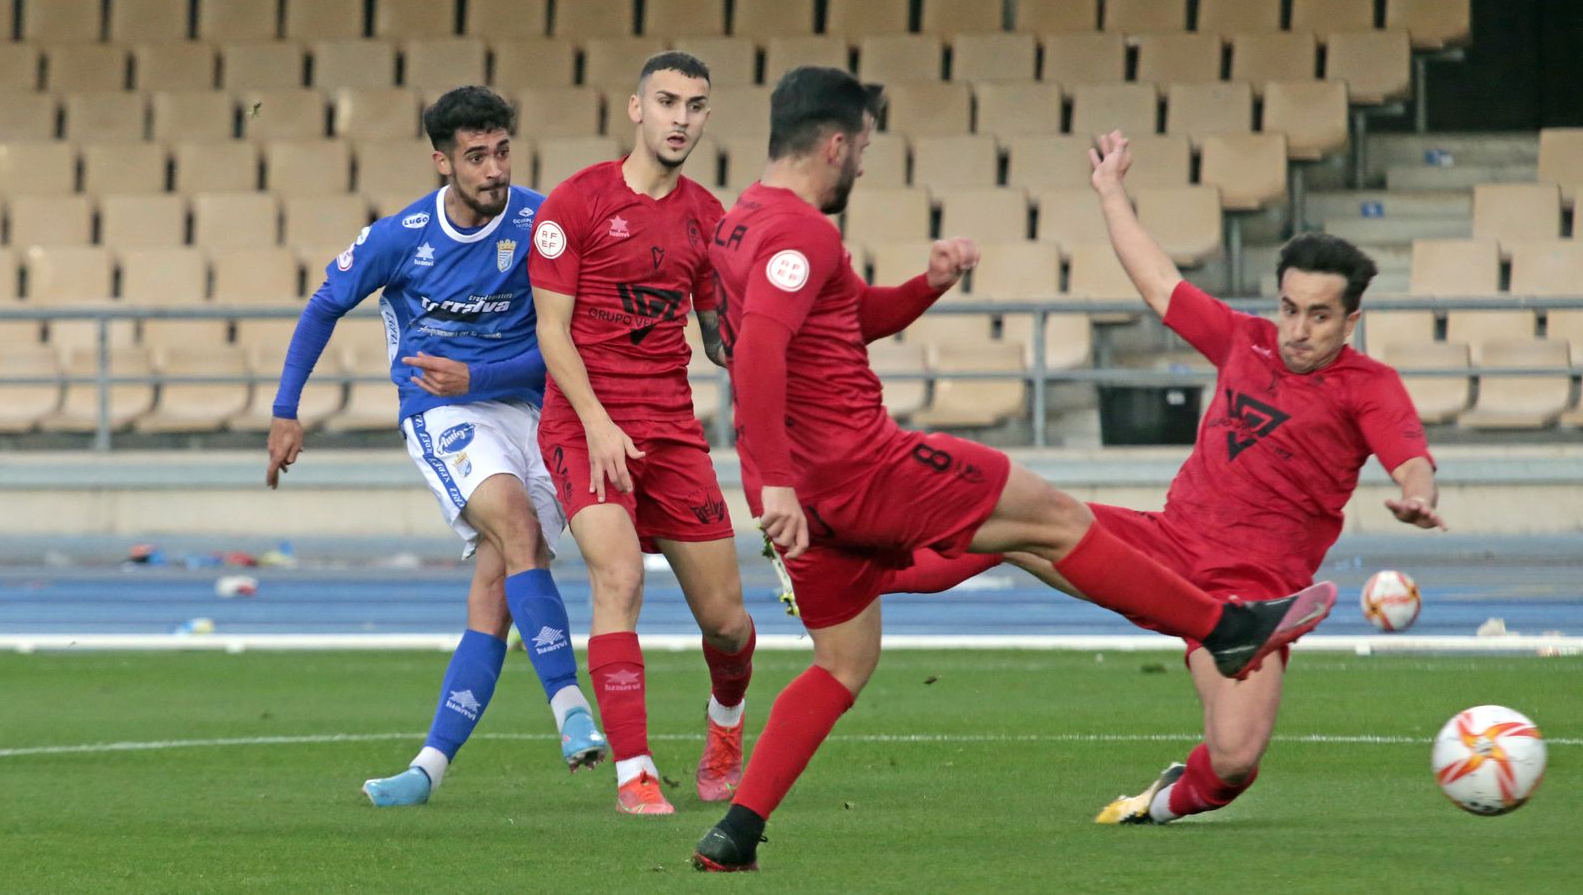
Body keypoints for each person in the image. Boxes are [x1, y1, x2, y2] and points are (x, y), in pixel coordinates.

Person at [690, 67, 1338, 872]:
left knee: (844, 663)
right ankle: (1225, 630)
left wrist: (926, 286)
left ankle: (737, 831)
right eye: (861, 147)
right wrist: (781, 480)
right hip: (860, 467)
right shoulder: (804, 233)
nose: (862, 162)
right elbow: (754, 350)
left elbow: (843, 320)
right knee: (1056, 517)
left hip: (803, 494)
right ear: (834, 143)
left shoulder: (738, 225)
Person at [1070, 130, 1443, 826]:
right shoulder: (1243, 340)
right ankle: (856, 556)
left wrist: (1419, 495)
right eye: (1289, 308)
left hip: (1250, 601)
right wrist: (1110, 191)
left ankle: (1163, 804)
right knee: (1012, 511)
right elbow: (1158, 282)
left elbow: (1410, 457)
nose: (1298, 330)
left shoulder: (1370, 387)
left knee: (1235, 759)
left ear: (1352, 320)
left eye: (1320, 315)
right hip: (1166, 543)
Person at [265, 86, 604, 808]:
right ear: (441, 161)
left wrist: (482, 372)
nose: (493, 169)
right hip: (443, 412)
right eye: (476, 156)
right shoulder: (403, 236)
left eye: (502, 151)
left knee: (498, 588)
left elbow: (564, 345)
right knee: (516, 528)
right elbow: (324, 304)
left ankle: (428, 770)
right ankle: (570, 707)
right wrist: (286, 409)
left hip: (531, 410)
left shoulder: (542, 223)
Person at [528, 52, 755, 816]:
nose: (680, 117)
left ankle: (725, 728)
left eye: (695, 104)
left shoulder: (707, 216)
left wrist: (768, 332)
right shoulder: (575, 203)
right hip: (583, 420)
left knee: (728, 625)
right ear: (636, 109)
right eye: (666, 101)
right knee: (617, 578)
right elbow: (550, 333)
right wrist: (595, 423)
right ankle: (635, 773)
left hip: (673, 430)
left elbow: (722, 340)